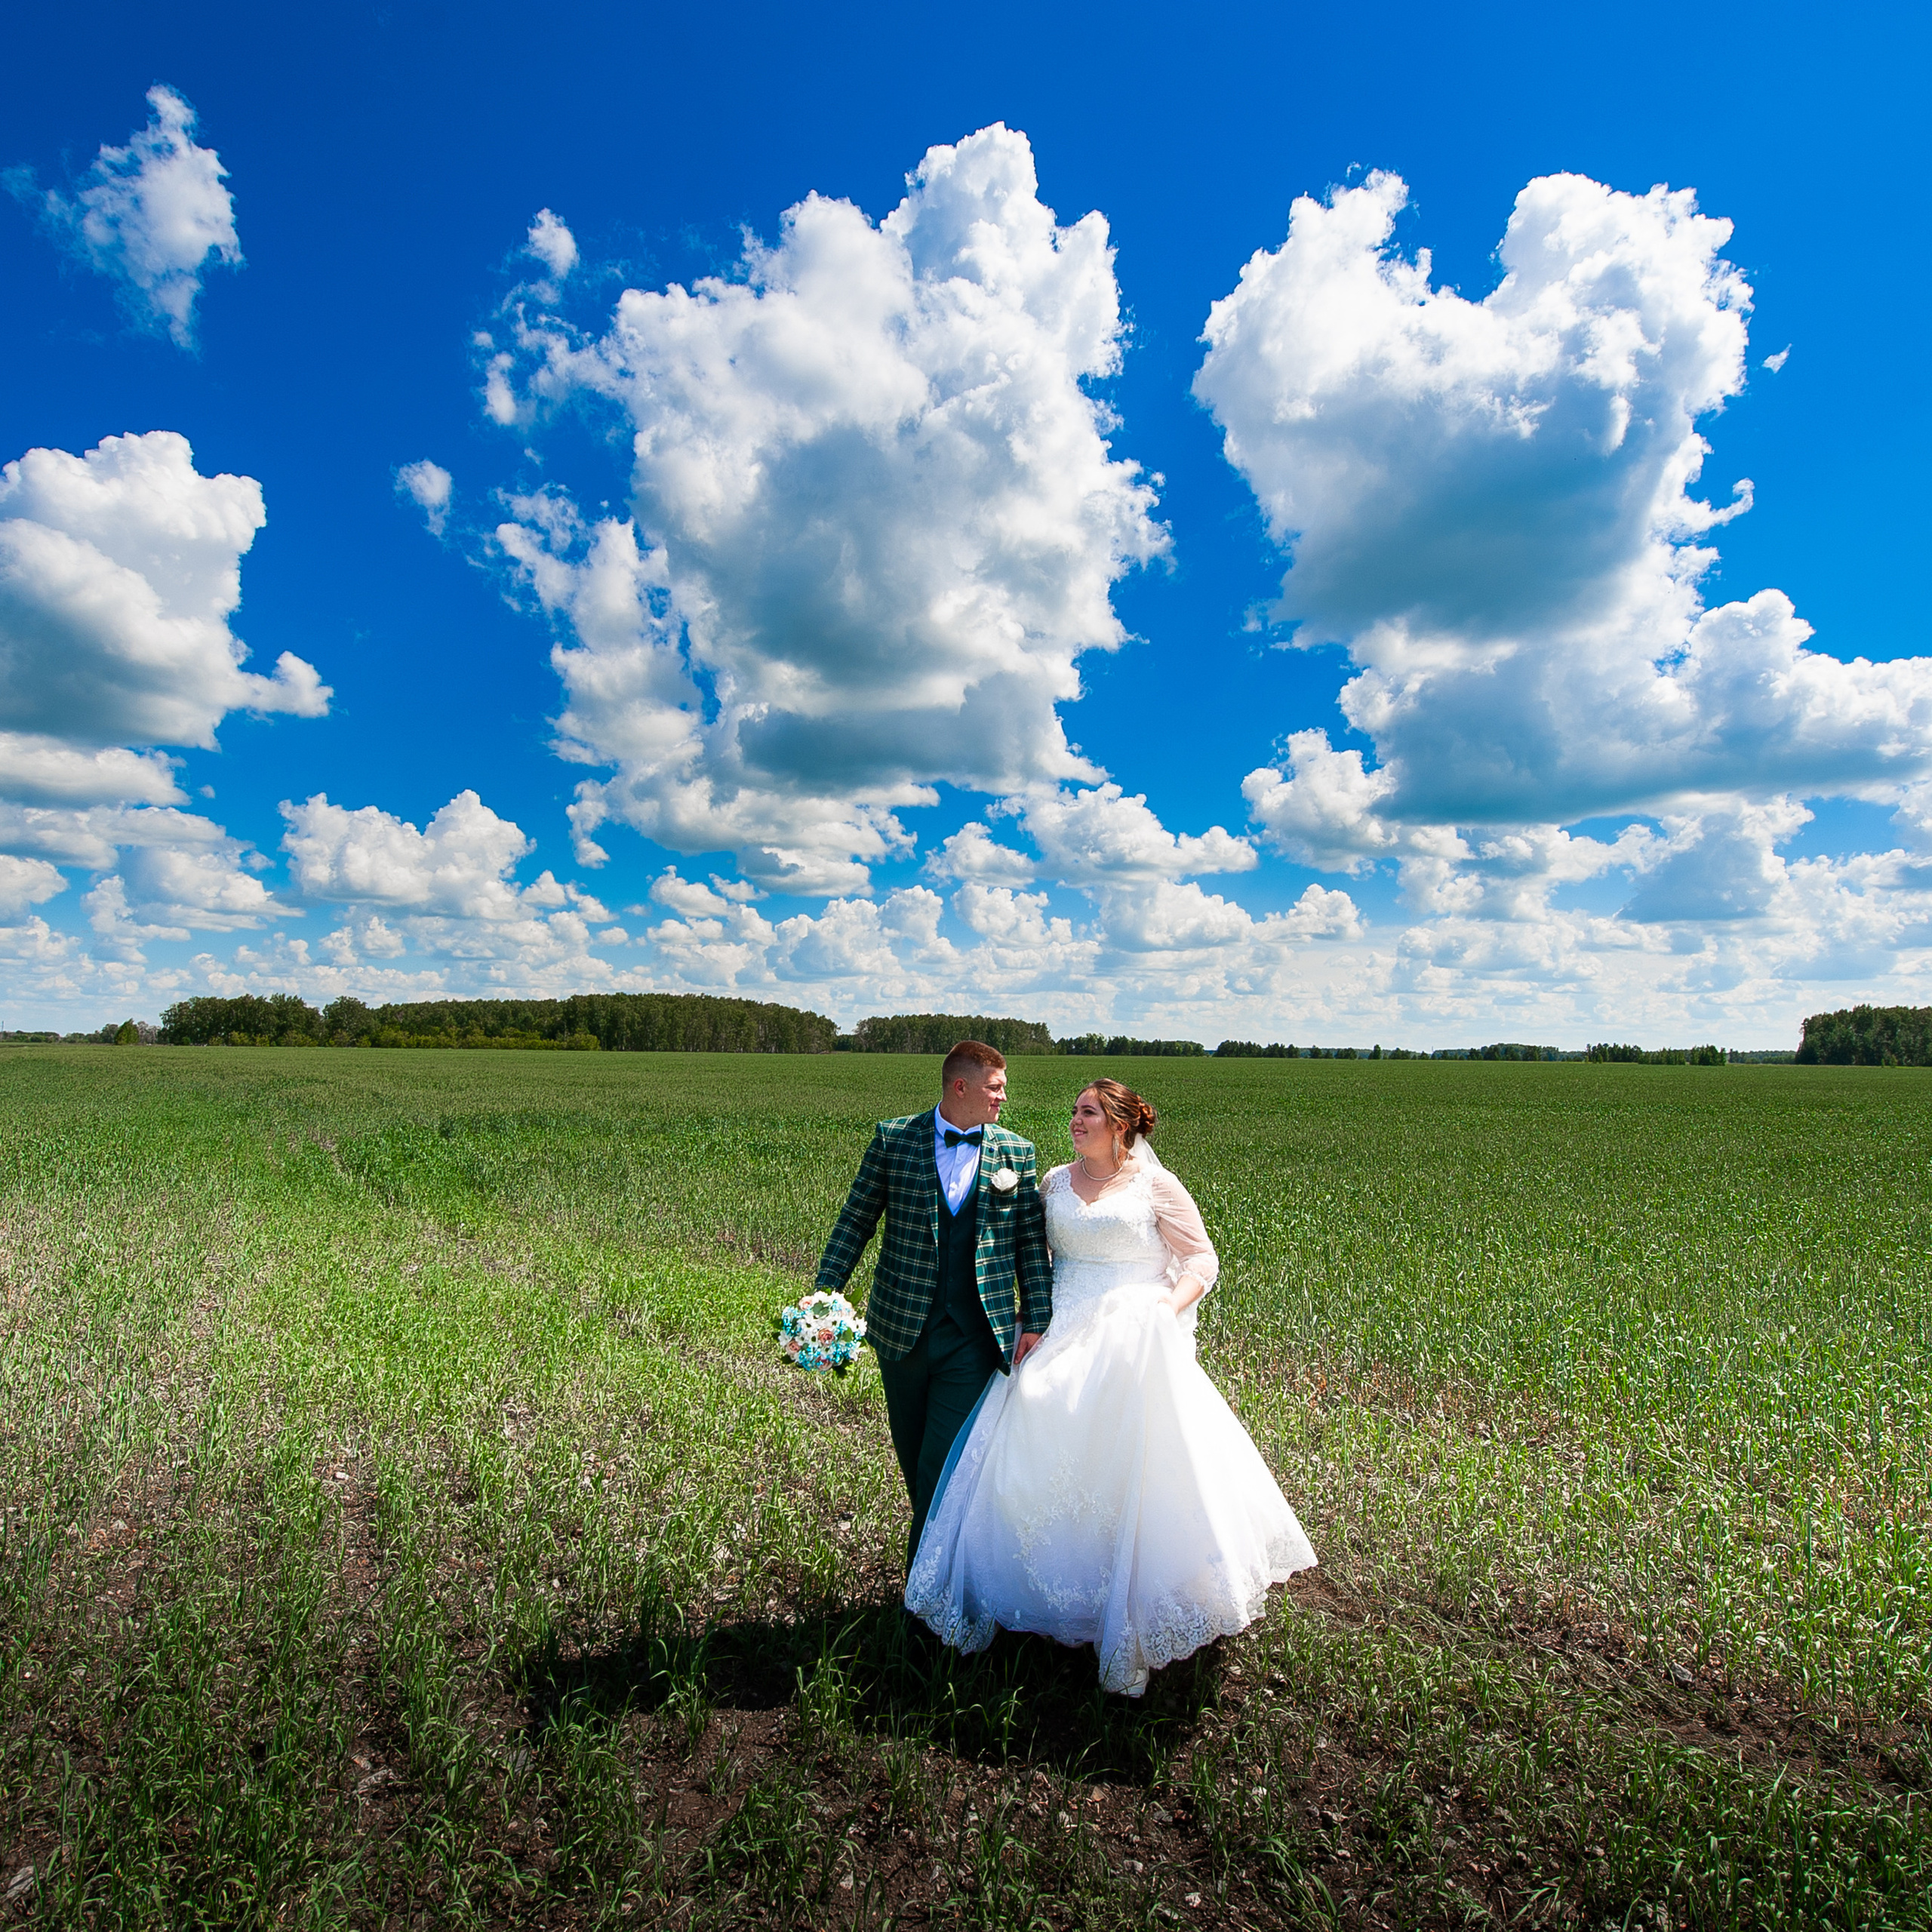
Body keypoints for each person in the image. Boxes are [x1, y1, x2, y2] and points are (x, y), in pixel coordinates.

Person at [906, 1077, 1316, 1694]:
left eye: (1089, 1112)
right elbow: (1032, 1259)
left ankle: (1131, 1609)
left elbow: (1202, 1260)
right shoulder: (1051, 1183)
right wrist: (1026, 1317)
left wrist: (1164, 1308)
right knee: (1030, 1445)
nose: (1075, 1120)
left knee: (1134, 1465)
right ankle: (1032, 1589)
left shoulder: (1156, 1185)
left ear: (1120, 1125)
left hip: (1133, 1333)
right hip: (1062, 1327)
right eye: (1074, 1110)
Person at [814, 1040, 1053, 1571]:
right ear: (960, 1087)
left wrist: (1036, 1319)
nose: (1004, 1097)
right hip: (900, 1332)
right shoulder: (894, 1139)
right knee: (915, 1461)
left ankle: (921, 1604)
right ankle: (946, 1575)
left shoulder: (1018, 1152)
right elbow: (856, 1220)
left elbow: (1029, 1245)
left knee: (941, 1467)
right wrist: (825, 1293)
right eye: (996, 1086)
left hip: (973, 1337)